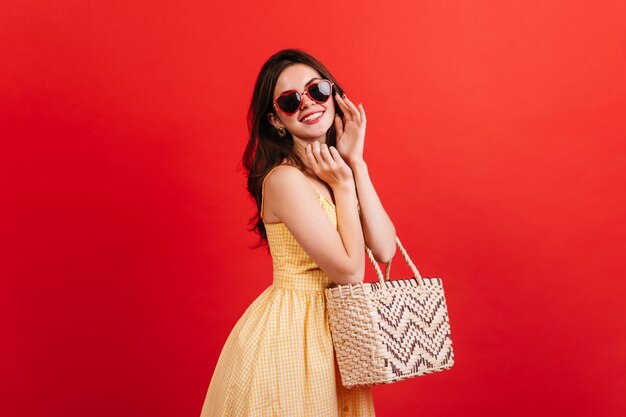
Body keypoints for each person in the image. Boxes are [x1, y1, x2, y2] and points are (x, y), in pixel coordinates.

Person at [200, 48, 397, 417]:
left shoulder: (339, 172)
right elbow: (351, 272)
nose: (308, 103)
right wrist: (343, 186)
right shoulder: (285, 180)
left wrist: (356, 163)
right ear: (276, 120)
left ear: (334, 96)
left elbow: (385, 249)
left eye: (317, 90)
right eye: (291, 100)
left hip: (338, 334)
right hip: (292, 335)